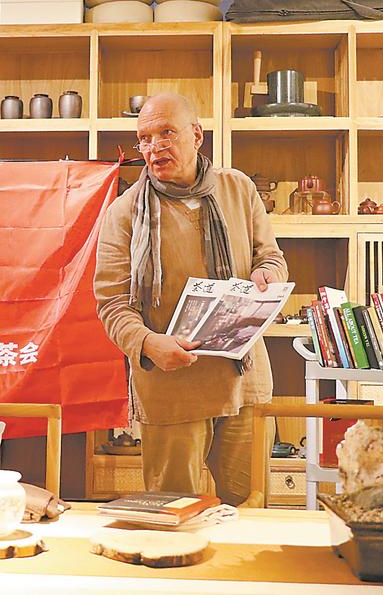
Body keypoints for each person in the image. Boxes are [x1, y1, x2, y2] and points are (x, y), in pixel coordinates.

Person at [94, 92, 288, 504]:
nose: (154, 147)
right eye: (144, 138)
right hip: (170, 387)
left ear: (197, 136)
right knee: (174, 511)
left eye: (167, 133)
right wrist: (148, 343)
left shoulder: (238, 189)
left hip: (243, 382)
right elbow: (112, 304)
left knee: (251, 512)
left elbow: (271, 257)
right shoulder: (124, 212)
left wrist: (268, 275)